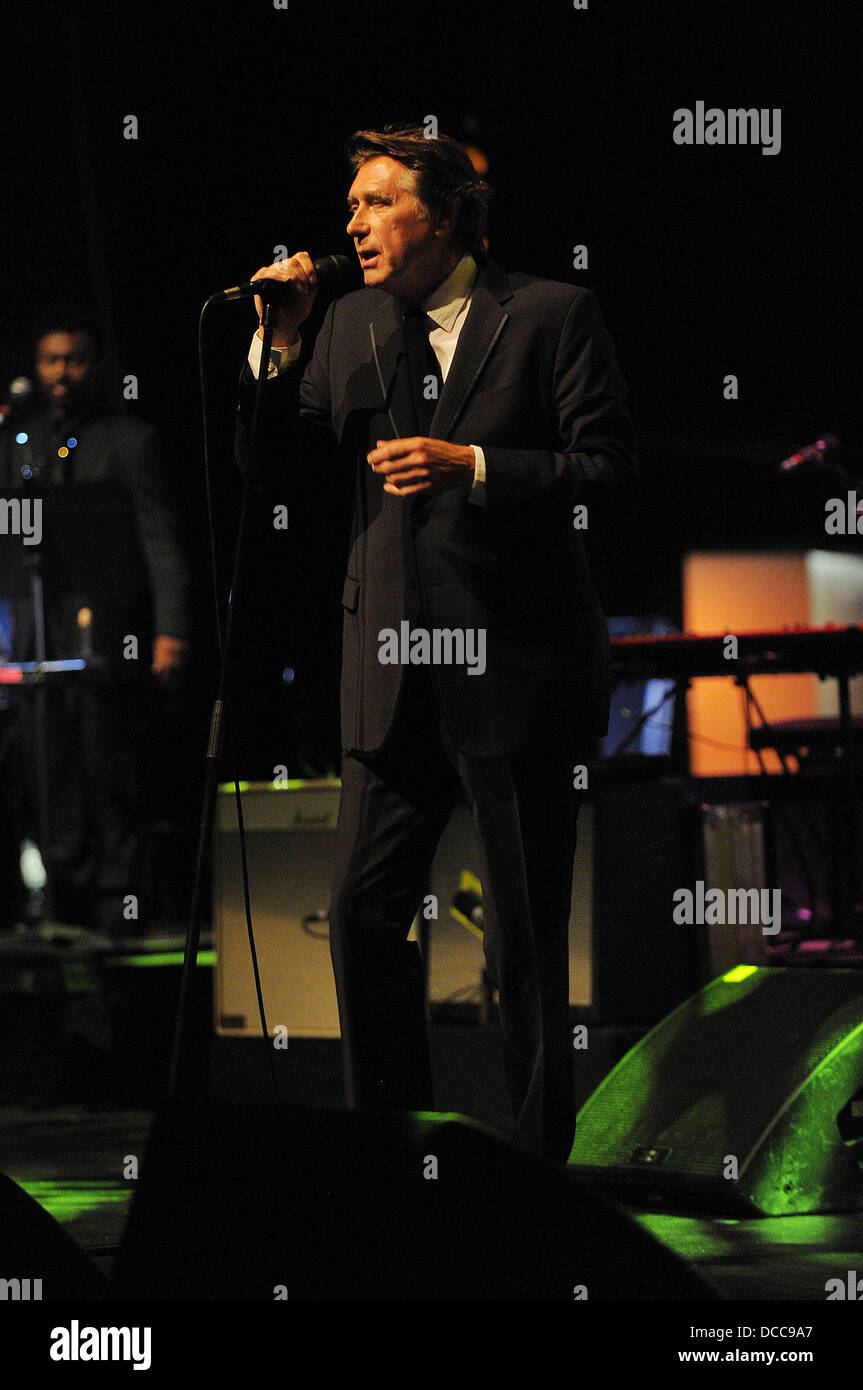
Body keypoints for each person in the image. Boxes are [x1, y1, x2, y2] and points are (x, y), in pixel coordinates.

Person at [237, 125, 638, 1163]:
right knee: (363, 914)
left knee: (519, 940)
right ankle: (393, 1159)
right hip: (386, 667)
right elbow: (278, 461)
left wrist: (478, 465)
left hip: (513, 662)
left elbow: (607, 472)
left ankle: (541, 1170)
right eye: (351, 205)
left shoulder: (550, 314)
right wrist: (278, 342)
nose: (352, 222)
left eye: (375, 202)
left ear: (445, 215)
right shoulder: (348, 322)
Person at [0, 307, 191, 934]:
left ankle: (123, 908)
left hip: (110, 639)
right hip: (37, 640)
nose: (61, 372)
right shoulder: (21, 444)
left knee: (111, 774)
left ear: (96, 365)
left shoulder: (129, 441)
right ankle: (65, 906)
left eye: (73, 359)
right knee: (49, 774)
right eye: (51, 359)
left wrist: (171, 630)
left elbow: (161, 541)